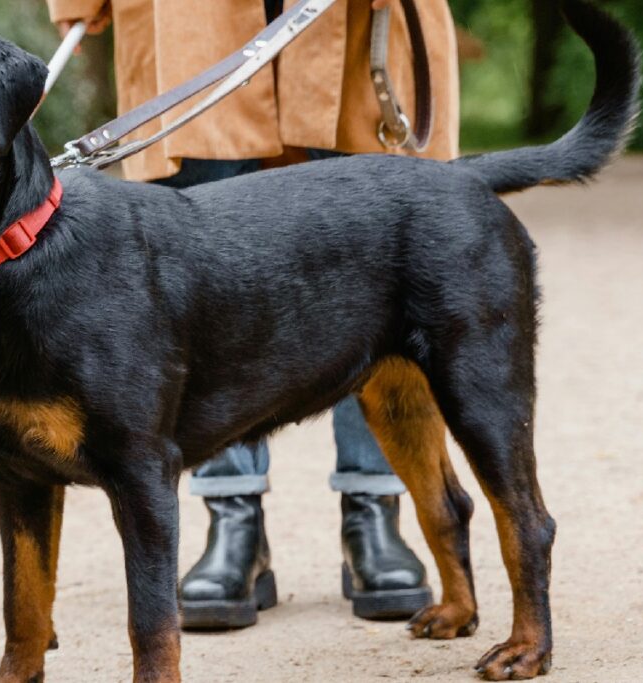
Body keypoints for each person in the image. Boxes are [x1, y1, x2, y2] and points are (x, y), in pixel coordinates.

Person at [46, 0, 459, 629]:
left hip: (351, 22)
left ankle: (374, 510)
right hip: (188, 18)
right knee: (194, 265)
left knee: (372, 251)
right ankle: (232, 518)